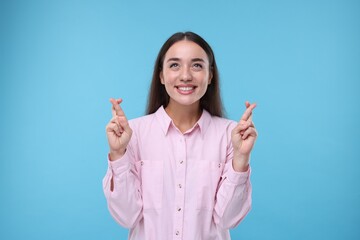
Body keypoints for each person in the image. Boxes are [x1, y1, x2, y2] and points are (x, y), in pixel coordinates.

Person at [103, 31, 258, 240]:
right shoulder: (133, 134)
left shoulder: (230, 135)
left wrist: (240, 159)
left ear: (210, 75)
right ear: (161, 75)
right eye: (175, 65)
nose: (185, 75)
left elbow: (227, 220)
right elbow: (126, 217)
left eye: (197, 65)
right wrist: (118, 154)